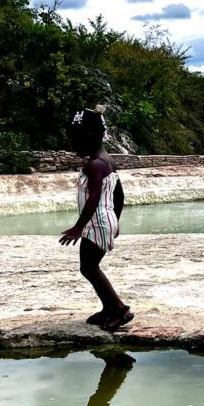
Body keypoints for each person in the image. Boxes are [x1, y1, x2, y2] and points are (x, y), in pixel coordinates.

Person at [59, 107, 133, 330]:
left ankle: (119, 309)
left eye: (75, 138)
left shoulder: (94, 165)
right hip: (104, 221)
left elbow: (94, 198)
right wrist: (116, 221)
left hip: (96, 223)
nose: (72, 144)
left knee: (89, 268)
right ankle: (109, 308)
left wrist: (78, 228)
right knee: (90, 267)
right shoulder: (106, 160)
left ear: (89, 136)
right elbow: (119, 194)